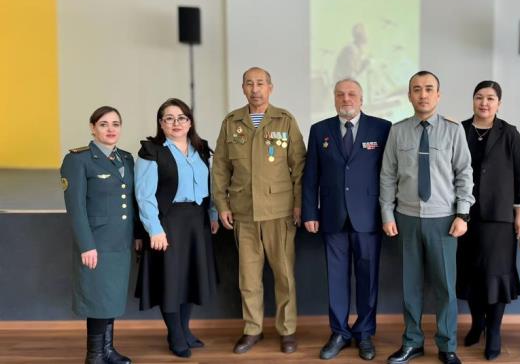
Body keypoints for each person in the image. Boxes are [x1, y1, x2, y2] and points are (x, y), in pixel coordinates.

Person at [379, 71, 474, 364]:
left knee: (445, 286)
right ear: (409, 96)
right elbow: (388, 175)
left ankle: (447, 346)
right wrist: (386, 213)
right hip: (406, 217)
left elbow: (464, 174)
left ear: (438, 95)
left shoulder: (453, 130)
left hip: (443, 220)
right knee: (411, 285)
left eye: (429, 89)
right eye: (417, 89)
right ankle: (412, 342)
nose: (423, 94)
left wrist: (463, 214)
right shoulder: (398, 131)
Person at [212, 67, 306, 354]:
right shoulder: (231, 123)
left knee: (284, 276)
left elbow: (299, 166)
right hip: (244, 213)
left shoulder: (285, 120)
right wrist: (222, 205)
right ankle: (252, 329)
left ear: (270, 87)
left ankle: (287, 330)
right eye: (250, 84)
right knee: (248, 278)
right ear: (243, 89)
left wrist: (299, 204)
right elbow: (220, 169)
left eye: (260, 83)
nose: (255, 89)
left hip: (280, 212)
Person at [302, 79, 392, 361]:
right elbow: (310, 176)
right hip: (332, 217)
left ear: (362, 99)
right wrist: (309, 212)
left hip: (369, 217)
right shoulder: (320, 130)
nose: (346, 98)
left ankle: (364, 333)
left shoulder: (382, 128)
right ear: (334, 99)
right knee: (336, 279)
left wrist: (389, 212)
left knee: (368, 278)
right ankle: (339, 331)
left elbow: (390, 174)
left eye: (352, 94)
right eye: (340, 94)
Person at [134, 98, 218, 358]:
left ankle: (184, 328)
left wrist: (213, 214)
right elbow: (144, 195)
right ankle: (175, 334)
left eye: (181, 117)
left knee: (190, 277)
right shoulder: (152, 151)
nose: (176, 123)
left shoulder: (201, 149)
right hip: (168, 222)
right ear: (161, 123)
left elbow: (211, 188)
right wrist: (154, 230)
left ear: (190, 121)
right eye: (168, 118)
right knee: (170, 280)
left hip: (197, 221)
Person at [456, 80, 520, 360]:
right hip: (464, 215)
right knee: (471, 273)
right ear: (472, 101)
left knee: (496, 275)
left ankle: (495, 330)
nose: (484, 103)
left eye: (490, 98)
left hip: (499, 218)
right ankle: (478, 323)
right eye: (478, 97)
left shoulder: (509, 133)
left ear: (499, 103)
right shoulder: (459, 130)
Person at [60, 106, 136, 364]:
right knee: (97, 299)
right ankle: (94, 356)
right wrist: (86, 245)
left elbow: (130, 202)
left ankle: (108, 350)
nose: (111, 129)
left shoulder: (125, 158)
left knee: (111, 298)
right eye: (104, 124)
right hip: (97, 244)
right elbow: (76, 208)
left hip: (120, 243)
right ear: (92, 128)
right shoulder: (77, 160)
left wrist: (135, 235)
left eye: (116, 123)